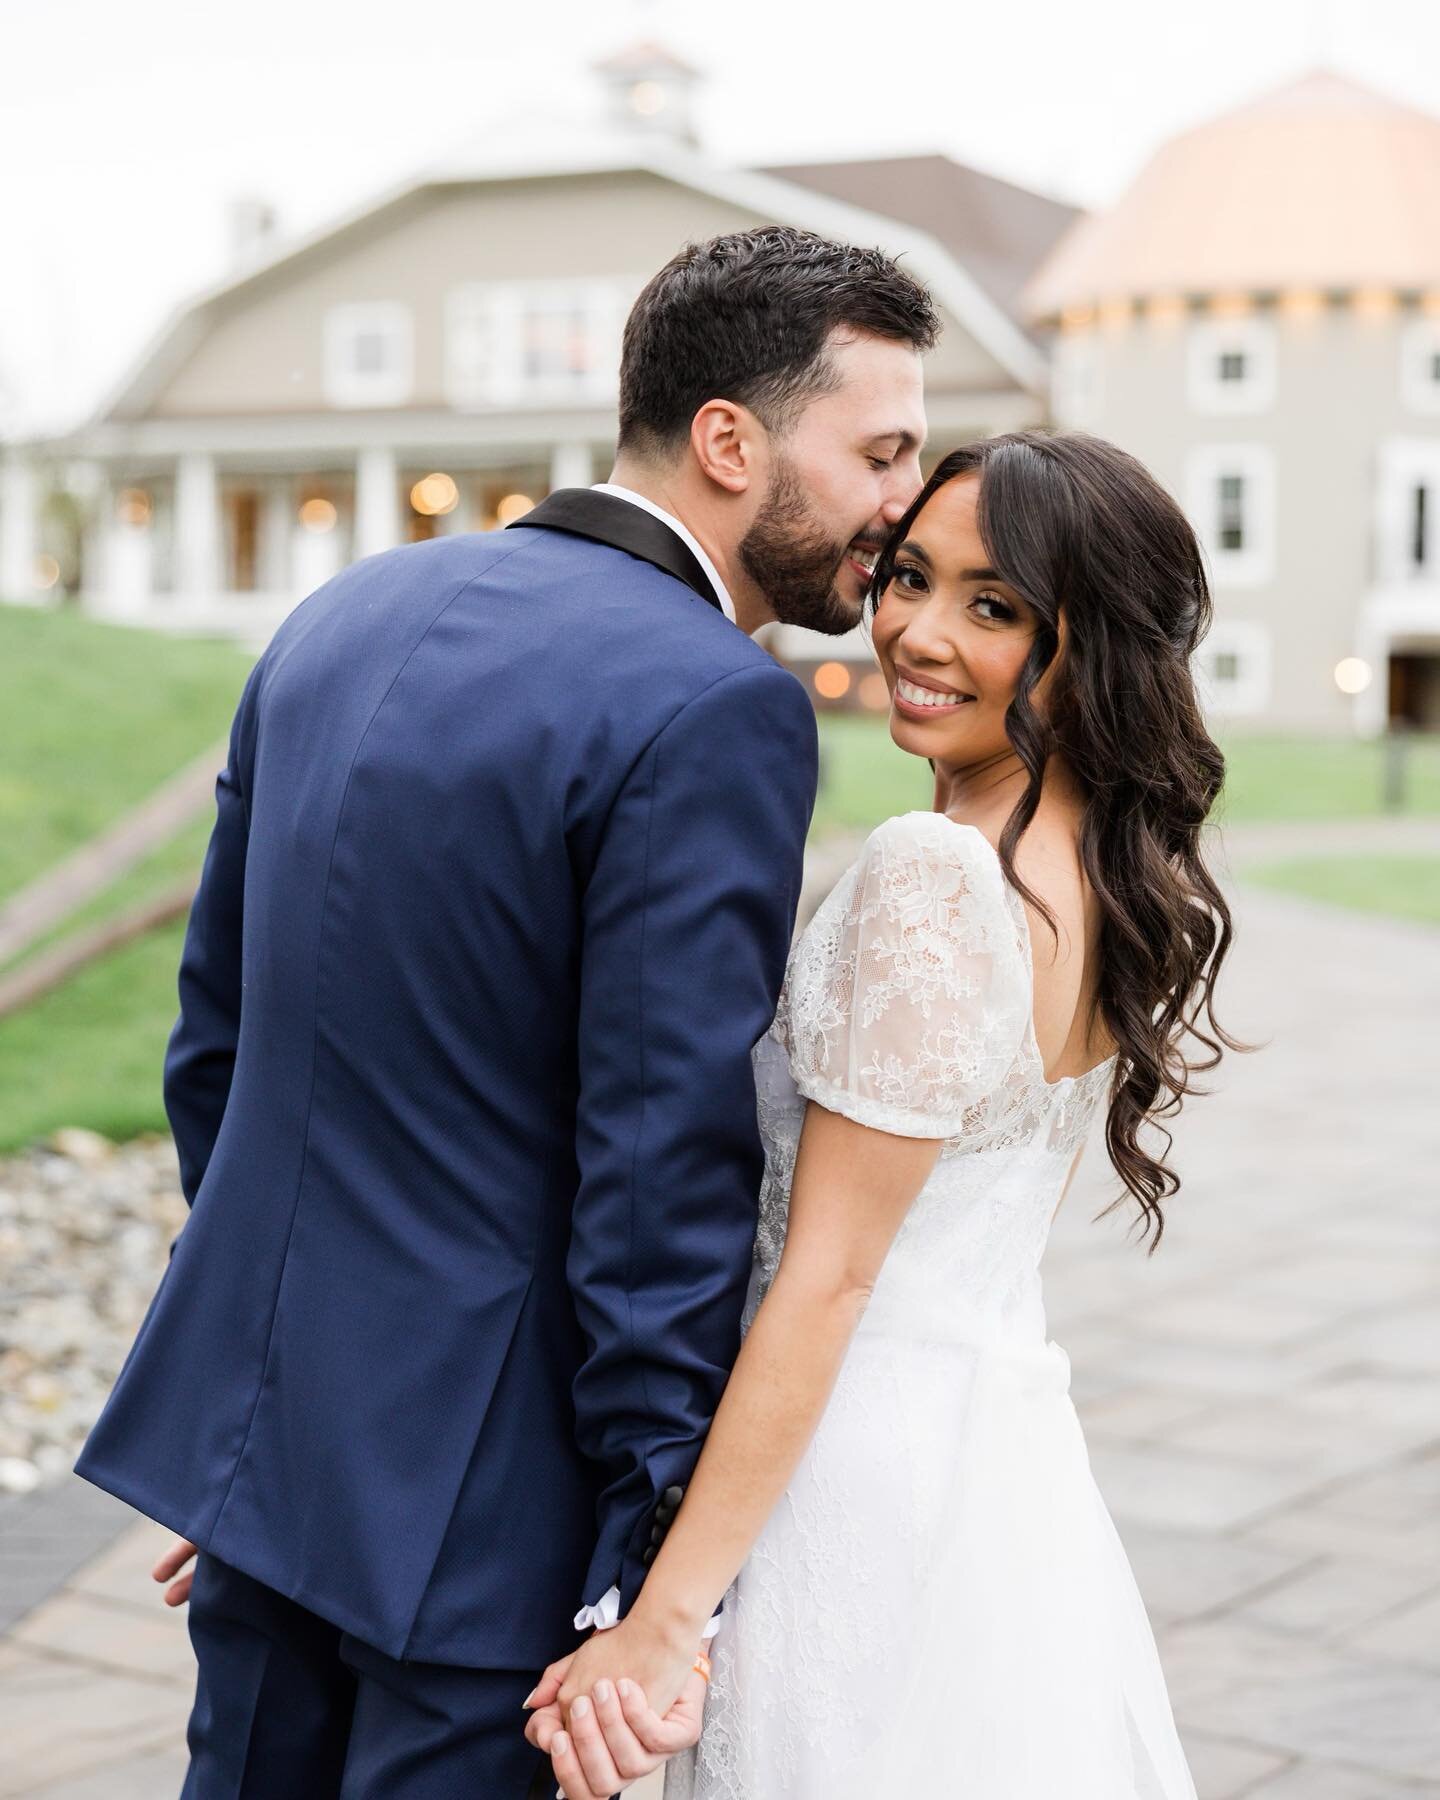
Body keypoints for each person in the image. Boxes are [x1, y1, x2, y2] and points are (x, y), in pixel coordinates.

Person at [74, 224, 938, 1797]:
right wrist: (645, 1566)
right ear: (732, 441)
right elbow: (656, 1171)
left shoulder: (343, 616)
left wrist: (259, 1414)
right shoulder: (715, 703)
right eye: (880, 450)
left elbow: (219, 1047)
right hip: (491, 1521)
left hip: (277, 1465)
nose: (903, 501)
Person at [525, 431, 1238, 1800]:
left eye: (995, 607)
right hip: (999, 1459)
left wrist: (661, 1623)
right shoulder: (1103, 874)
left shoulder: (936, 873)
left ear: (1090, 646)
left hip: (847, 1475)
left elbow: (834, 1278)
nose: (914, 629)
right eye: (910, 576)